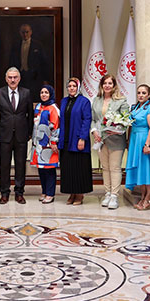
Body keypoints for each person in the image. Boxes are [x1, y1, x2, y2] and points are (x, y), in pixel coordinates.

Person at [0, 67, 33, 204]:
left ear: (19, 79)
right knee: (4, 165)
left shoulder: (26, 93)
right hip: (4, 135)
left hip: (22, 135)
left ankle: (19, 193)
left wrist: (30, 132)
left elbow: (30, 115)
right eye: (10, 77)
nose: (12, 80)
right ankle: (4, 193)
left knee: (21, 165)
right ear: (6, 79)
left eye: (15, 77)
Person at [91, 74, 130, 210]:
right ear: (101, 85)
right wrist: (94, 131)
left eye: (110, 83)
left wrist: (117, 130)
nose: (107, 86)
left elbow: (126, 120)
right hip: (100, 140)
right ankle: (107, 193)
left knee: (115, 168)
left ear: (114, 86)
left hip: (116, 139)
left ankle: (114, 195)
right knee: (105, 168)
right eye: (105, 83)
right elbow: (93, 119)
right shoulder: (96, 100)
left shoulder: (121, 101)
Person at [58, 77, 92, 205]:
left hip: (78, 139)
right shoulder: (64, 101)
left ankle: (79, 194)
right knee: (68, 168)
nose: (71, 88)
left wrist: (82, 138)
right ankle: (71, 193)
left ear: (78, 87)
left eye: (74, 86)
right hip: (66, 140)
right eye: (69, 86)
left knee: (79, 168)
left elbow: (87, 120)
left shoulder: (84, 101)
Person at [125, 84, 150, 210]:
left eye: (144, 93)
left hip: (145, 140)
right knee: (140, 171)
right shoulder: (135, 107)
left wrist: (147, 144)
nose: (140, 95)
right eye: (139, 93)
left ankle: (148, 199)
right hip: (135, 140)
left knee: (147, 170)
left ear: (149, 95)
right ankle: (142, 197)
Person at [31, 84, 60, 204]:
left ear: (50, 94)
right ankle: (44, 191)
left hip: (48, 144)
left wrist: (53, 142)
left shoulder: (53, 108)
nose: (43, 94)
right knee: (41, 169)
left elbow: (56, 126)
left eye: (46, 93)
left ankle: (50, 193)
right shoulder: (38, 106)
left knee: (49, 170)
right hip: (38, 143)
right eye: (42, 92)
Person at [7, 23, 48, 94]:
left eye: (27, 32)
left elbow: (43, 63)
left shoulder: (38, 45)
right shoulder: (16, 45)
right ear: (20, 32)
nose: (25, 34)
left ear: (31, 32)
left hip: (34, 77)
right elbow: (11, 61)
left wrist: (45, 79)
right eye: (23, 32)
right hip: (19, 76)